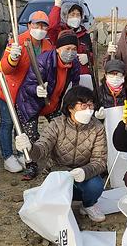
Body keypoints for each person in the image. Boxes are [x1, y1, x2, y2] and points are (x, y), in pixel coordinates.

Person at [15, 86, 108, 222]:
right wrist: (29, 148)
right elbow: (42, 149)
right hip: (58, 174)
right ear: (70, 108)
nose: (88, 110)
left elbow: (100, 161)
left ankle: (88, 204)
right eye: (83, 105)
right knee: (54, 210)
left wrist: (84, 171)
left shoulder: (97, 128)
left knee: (96, 185)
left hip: (83, 177)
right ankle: (62, 204)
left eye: (90, 105)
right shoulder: (57, 125)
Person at [0, 11, 53, 173]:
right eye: (36, 25)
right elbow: (5, 68)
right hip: (9, 89)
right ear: (29, 25)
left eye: (43, 26)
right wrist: (12, 57)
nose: (40, 29)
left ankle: (21, 152)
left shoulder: (48, 46)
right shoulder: (16, 41)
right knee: (7, 122)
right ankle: (7, 156)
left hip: (28, 93)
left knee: (22, 123)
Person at [16, 30, 81, 180]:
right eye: (67, 49)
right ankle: (30, 165)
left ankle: (57, 161)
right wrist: (36, 89)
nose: (70, 53)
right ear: (58, 49)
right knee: (31, 136)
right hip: (30, 103)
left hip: (52, 103)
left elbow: (75, 84)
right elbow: (28, 85)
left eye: (74, 49)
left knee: (62, 129)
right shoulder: (43, 61)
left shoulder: (74, 63)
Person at [48, 0, 95, 89]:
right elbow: (51, 26)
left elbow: (93, 55)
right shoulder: (60, 33)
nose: (75, 17)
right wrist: (57, 6)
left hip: (82, 77)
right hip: (62, 75)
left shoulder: (85, 35)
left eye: (78, 15)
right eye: (72, 14)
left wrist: (88, 57)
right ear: (66, 16)